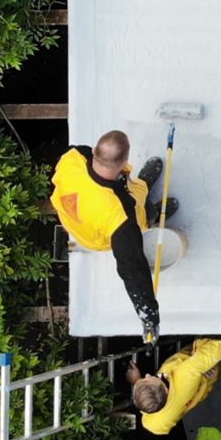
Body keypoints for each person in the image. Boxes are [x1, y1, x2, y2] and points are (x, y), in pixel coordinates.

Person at [51, 130, 178, 336]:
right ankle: (153, 215)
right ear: (125, 160)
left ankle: (144, 183)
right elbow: (132, 267)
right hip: (101, 234)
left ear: (94, 152)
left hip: (75, 220)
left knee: (134, 188)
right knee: (141, 212)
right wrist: (148, 315)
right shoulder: (119, 218)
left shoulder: (73, 158)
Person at [126, 338, 221, 435]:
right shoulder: (186, 373)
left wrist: (136, 381)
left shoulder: (156, 423)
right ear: (166, 390)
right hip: (216, 361)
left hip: (207, 381)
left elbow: (152, 423)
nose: (147, 375)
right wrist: (199, 358)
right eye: (151, 379)